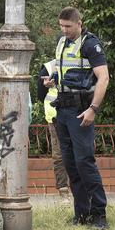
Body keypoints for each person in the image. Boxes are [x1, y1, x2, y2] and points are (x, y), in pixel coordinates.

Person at [42, 7, 110, 230]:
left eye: (68, 26)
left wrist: (93, 108)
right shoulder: (62, 42)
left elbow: (104, 78)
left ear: (79, 23)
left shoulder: (91, 44)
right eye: (61, 26)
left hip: (80, 111)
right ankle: (81, 213)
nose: (64, 30)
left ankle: (99, 215)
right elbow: (64, 71)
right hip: (62, 109)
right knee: (71, 164)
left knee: (84, 162)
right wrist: (52, 80)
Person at [37, 59, 71, 199]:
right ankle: (63, 191)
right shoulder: (49, 68)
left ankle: (73, 190)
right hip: (56, 117)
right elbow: (40, 94)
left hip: (75, 114)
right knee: (59, 155)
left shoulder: (79, 63)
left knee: (71, 154)